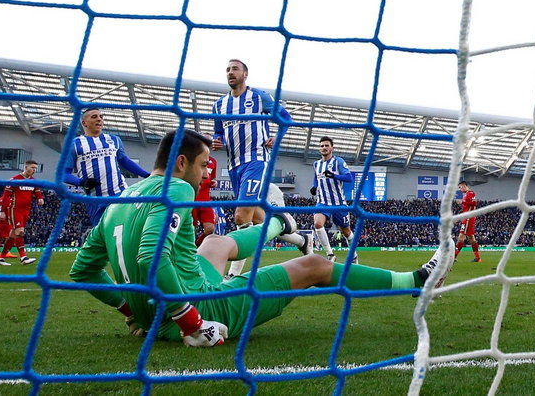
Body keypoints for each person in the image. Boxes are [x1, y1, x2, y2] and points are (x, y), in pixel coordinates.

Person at [69, 129, 443, 344]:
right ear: (181, 163)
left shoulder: (119, 200)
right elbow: (152, 257)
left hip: (158, 307)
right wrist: (192, 324)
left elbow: (82, 271)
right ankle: (413, 281)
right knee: (313, 264)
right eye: (202, 166)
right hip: (200, 306)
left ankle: (278, 225)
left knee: (214, 243)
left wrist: (129, 309)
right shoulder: (179, 189)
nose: (204, 176)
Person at [212, 59, 308, 277]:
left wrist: (278, 136)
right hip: (234, 166)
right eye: (227, 69)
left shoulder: (258, 97)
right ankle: (301, 239)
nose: (230, 72)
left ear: (245, 74)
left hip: (256, 161)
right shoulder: (219, 105)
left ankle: (233, 275)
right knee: (259, 221)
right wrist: (217, 141)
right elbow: (218, 133)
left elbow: (285, 118)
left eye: (235, 69)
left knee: (240, 217)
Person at [65, 107, 151, 226]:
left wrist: (147, 175)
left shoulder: (114, 139)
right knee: (104, 236)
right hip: (95, 200)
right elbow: (63, 175)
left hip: (120, 193)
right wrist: (81, 182)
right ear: (84, 123)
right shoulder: (74, 144)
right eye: (94, 117)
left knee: (127, 228)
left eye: (101, 117)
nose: (99, 119)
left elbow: (124, 160)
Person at [310, 136, 356, 263]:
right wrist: (314, 186)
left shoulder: (338, 162)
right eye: (321, 146)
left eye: (326, 145)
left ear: (332, 148)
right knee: (317, 223)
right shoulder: (316, 164)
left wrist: (334, 176)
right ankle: (330, 254)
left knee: (346, 232)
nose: (324, 148)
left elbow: (349, 178)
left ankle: (354, 255)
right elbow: (316, 177)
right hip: (322, 202)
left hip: (339, 203)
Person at [0, 160, 44, 266]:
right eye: (32, 167)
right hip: (15, 209)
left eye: (35, 168)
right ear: (25, 167)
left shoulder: (33, 181)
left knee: (13, 235)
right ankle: (23, 257)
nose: (34, 170)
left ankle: (1, 259)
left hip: (26, 210)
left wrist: (40, 198)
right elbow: (5, 197)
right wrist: (3, 211)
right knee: (20, 232)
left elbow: (37, 191)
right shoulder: (14, 180)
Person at [193, 154, 218, 247]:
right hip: (192, 199)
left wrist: (214, 182)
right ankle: (189, 251)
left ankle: (195, 247)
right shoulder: (193, 157)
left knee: (210, 229)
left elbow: (213, 178)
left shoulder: (213, 161)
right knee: (191, 229)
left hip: (205, 200)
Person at [454, 181, 480, 263]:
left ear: (464, 186)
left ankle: (453, 256)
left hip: (469, 218)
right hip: (466, 218)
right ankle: (477, 258)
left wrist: (463, 202)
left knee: (461, 237)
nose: (460, 189)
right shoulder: (466, 195)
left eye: (460, 187)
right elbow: (466, 208)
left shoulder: (471, 193)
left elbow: (474, 203)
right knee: (471, 238)